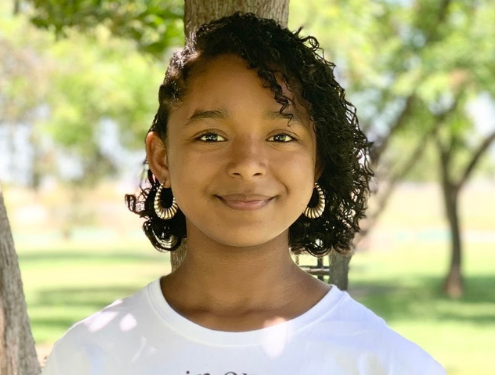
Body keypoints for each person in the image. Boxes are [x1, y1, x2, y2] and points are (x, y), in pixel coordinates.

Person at [42, 12, 446, 375]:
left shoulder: (386, 363)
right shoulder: (88, 356)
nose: (247, 163)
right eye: (211, 135)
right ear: (162, 158)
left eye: (282, 136)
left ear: (317, 162)